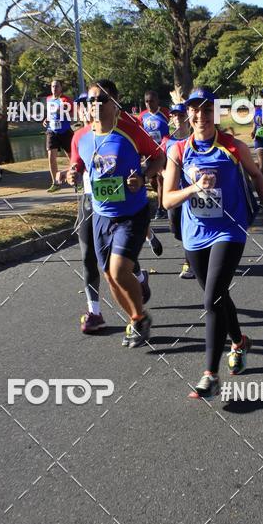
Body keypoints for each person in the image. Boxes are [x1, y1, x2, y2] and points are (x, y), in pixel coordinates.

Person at [163, 86, 263, 399]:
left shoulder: (233, 146)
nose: (201, 116)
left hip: (230, 229)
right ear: (188, 114)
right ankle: (238, 341)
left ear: (216, 113)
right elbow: (167, 198)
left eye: (207, 110)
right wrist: (193, 188)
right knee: (218, 295)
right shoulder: (178, 151)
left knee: (211, 299)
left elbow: (256, 175)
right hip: (194, 233)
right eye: (195, 110)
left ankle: (210, 374)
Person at [68, 79, 165, 348]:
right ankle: (137, 318)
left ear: (115, 103)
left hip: (133, 212)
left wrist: (144, 175)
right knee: (110, 276)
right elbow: (77, 165)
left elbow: (159, 157)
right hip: (101, 214)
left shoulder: (131, 130)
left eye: (101, 100)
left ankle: (139, 315)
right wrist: (71, 173)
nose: (95, 105)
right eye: (91, 101)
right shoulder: (80, 137)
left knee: (119, 270)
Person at [162, 101, 194, 278]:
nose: (177, 119)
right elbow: (159, 162)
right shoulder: (167, 141)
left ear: (188, 118)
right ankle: (195, 253)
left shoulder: (194, 139)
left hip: (192, 192)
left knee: (190, 226)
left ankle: (189, 263)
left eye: (181, 115)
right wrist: (165, 172)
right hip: (174, 193)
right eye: (174, 116)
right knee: (176, 229)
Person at [138, 90, 170, 218]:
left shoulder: (165, 113)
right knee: (152, 181)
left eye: (151, 101)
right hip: (149, 153)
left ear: (157, 101)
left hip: (164, 151)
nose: (149, 104)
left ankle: (161, 208)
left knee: (161, 179)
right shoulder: (142, 116)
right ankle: (162, 198)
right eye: (146, 101)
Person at [43, 78, 74, 192]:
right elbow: (51, 114)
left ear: (61, 88)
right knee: (51, 158)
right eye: (52, 86)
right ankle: (55, 183)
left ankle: (77, 181)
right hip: (52, 131)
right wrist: (46, 119)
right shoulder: (49, 99)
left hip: (65, 131)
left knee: (72, 158)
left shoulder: (65, 100)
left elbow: (72, 115)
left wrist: (63, 111)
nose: (54, 88)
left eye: (57, 86)